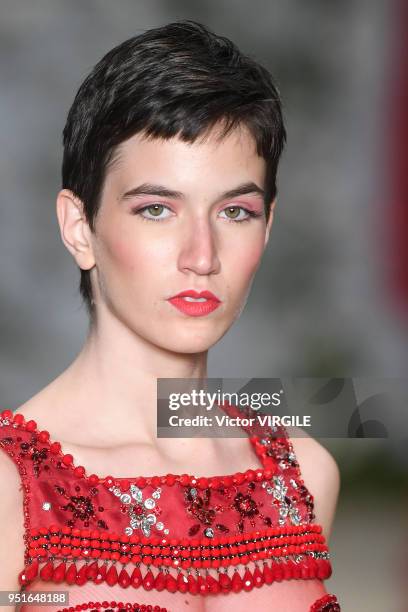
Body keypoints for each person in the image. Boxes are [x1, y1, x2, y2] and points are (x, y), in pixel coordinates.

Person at [0, 20, 341, 611]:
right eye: (157, 209)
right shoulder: (11, 493)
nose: (202, 257)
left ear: (268, 225)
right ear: (80, 229)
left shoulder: (305, 478)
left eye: (235, 212)